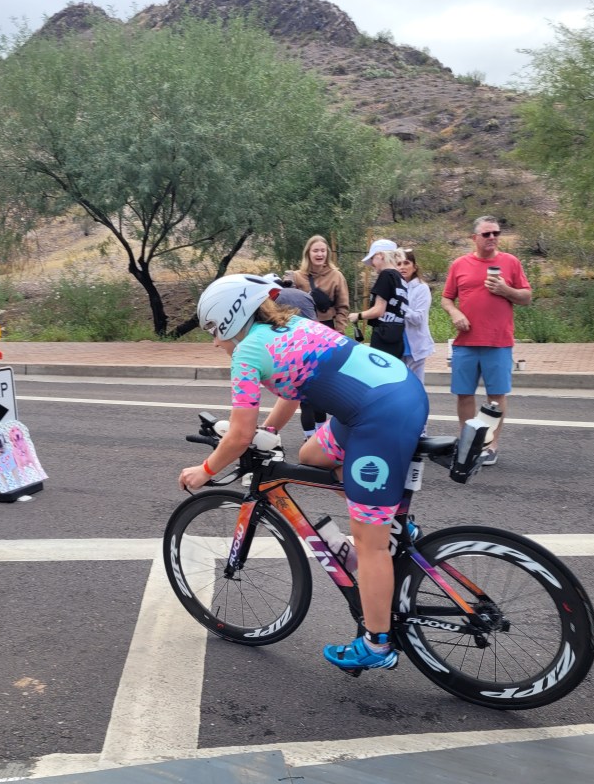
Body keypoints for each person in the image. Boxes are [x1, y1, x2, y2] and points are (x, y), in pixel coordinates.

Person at [178, 274, 429, 673]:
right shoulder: (289, 324)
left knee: (370, 545)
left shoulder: (247, 353)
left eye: (213, 330)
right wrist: (270, 431)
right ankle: (392, 521)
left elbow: (239, 435)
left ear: (229, 320)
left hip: (380, 416)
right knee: (312, 454)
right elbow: (294, 391)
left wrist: (204, 471)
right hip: (395, 389)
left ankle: (377, 644)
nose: (214, 342)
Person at [441, 215, 532, 466]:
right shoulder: (460, 264)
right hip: (466, 342)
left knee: (496, 397)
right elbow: (446, 298)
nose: (492, 237)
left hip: (498, 341)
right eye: (486, 234)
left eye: (496, 233)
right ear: (474, 238)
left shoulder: (511, 262)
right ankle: (467, 443)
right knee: (464, 394)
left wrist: (506, 290)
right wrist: (455, 313)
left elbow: (526, 297)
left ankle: (491, 445)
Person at [283, 235, 350, 440]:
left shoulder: (336, 276)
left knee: (322, 385)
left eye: (323, 250)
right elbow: (285, 298)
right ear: (308, 253)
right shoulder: (297, 276)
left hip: (327, 333)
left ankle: (321, 434)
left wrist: (338, 333)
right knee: (304, 386)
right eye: (315, 250)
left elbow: (343, 307)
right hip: (302, 334)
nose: (320, 254)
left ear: (327, 253)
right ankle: (309, 436)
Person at [348, 238, 407, 359]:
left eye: (372, 259)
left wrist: (358, 316)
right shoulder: (400, 278)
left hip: (383, 335)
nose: (371, 263)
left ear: (380, 255)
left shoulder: (386, 275)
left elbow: (379, 310)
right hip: (397, 335)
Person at [397, 249, 435, 384]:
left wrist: (401, 306)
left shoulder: (421, 288)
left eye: (406, 263)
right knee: (399, 384)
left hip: (415, 344)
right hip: (396, 343)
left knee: (416, 384)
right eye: (398, 264)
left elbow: (418, 318)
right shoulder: (394, 287)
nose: (402, 267)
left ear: (414, 267)